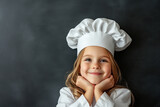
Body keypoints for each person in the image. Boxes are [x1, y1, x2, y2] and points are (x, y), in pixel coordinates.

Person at [56, 18, 134, 107]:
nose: (95, 65)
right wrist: (89, 91)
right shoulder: (68, 94)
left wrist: (98, 91)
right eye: (88, 59)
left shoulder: (121, 94)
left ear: (112, 66)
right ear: (79, 65)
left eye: (103, 60)